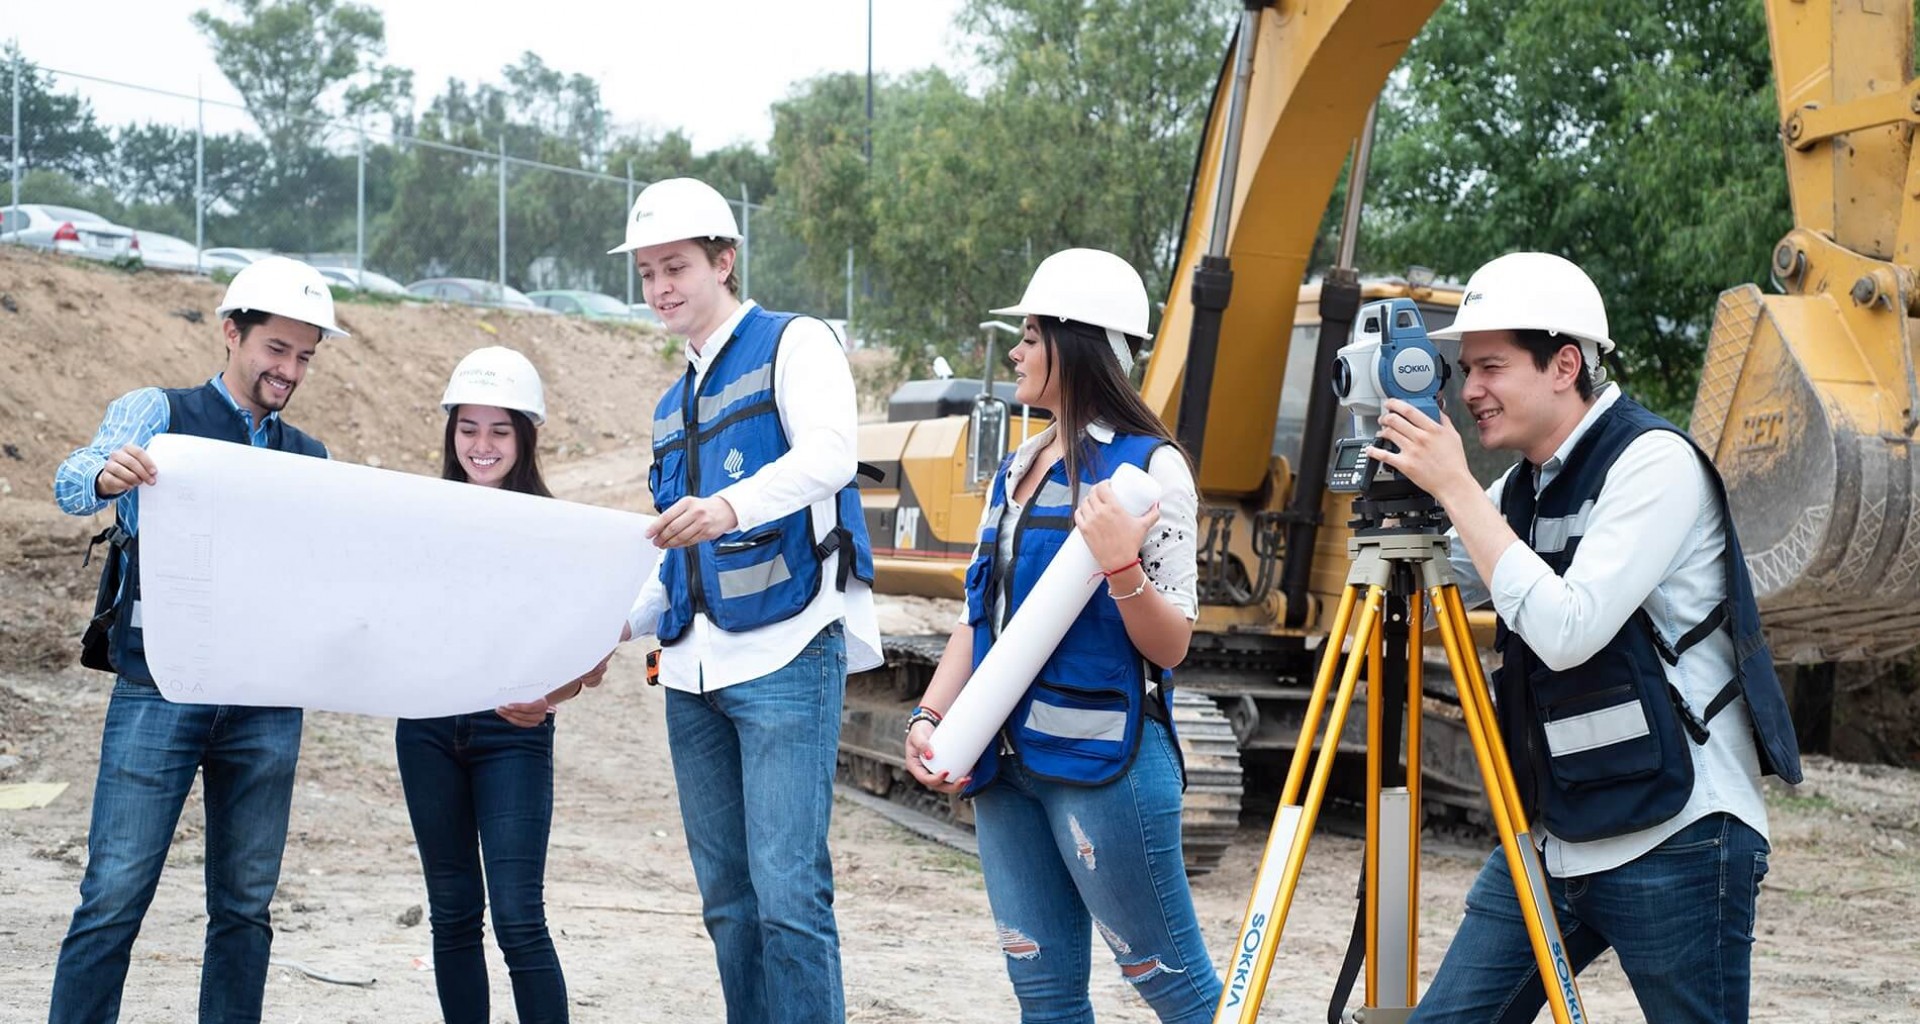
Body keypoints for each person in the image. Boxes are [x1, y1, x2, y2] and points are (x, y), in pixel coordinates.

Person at [1366, 252, 1802, 1023]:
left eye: (1490, 367)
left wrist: (1459, 488)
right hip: (1552, 834)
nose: (1468, 392)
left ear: (1566, 363)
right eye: (1465, 370)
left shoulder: (1653, 463)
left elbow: (1570, 629)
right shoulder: (1525, 485)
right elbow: (1425, 593)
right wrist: (1398, 510)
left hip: (1678, 836)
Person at [903, 248, 1223, 1024]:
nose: (1015, 349)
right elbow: (979, 617)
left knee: (1174, 987)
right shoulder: (1018, 465)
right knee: (1042, 997)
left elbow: (1171, 643)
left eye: (1033, 334)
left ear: (1081, 348)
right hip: (1001, 769)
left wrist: (1121, 569)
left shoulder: (1152, 470)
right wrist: (931, 716)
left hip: (1104, 766)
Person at [610, 177, 881, 1024]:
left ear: (725, 260)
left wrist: (728, 507)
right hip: (692, 675)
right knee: (728, 903)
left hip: (787, 656)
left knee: (788, 896)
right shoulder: (669, 407)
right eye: (648, 271)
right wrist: (598, 633)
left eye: (677, 266)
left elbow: (834, 452)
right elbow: (672, 565)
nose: (661, 287)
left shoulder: (795, 344)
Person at [48, 256, 347, 1024]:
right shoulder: (159, 414)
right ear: (231, 333)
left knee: (246, 908)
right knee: (114, 894)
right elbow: (71, 479)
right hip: (159, 690)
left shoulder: (308, 459)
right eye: (276, 349)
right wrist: (109, 475)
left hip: (265, 705)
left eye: (305, 355)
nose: (290, 369)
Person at [395, 346, 596, 1024]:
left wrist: (548, 698)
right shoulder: (420, 519)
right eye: (468, 428)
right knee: (452, 915)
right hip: (425, 733)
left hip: (511, 737)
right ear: (451, 433)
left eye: (500, 430)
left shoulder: (555, 530)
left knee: (518, 918)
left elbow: (589, 660)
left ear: (525, 437)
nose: (482, 445)